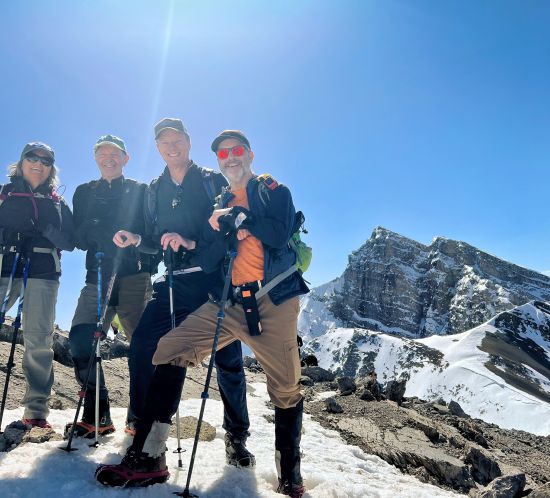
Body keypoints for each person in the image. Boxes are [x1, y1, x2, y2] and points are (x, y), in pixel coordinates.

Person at [96, 130, 309, 498]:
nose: (231, 157)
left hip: (273, 300)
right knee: (169, 348)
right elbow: (210, 259)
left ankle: (289, 476)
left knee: (286, 389)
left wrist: (242, 219)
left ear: (250, 154)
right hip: (229, 301)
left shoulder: (273, 191)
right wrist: (210, 235)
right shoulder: (220, 203)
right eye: (223, 153)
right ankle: (149, 457)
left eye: (237, 150)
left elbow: (278, 233)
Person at [111, 118, 252, 464]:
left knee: (228, 361)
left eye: (177, 141)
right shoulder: (154, 190)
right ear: (157, 148)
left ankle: (236, 437)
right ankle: (143, 427)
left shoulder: (211, 181)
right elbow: (154, 241)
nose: (171, 147)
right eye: (165, 143)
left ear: (188, 142)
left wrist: (191, 242)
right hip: (173, 282)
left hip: (214, 281)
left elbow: (227, 231)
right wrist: (136, 239)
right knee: (143, 345)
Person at [66, 135, 156, 438]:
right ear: (95, 159)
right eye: (102, 154)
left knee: (144, 348)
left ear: (126, 158)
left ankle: (139, 417)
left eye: (115, 153)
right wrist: (94, 229)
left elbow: (152, 234)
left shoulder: (141, 191)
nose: (109, 158)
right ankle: (97, 414)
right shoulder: (84, 192)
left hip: (135, 278)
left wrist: (133, 237)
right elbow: (78, 238)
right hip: (97, 278)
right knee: (80, 341)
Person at [0, 142, 75, 428]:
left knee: (39, 339)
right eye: (32, 157)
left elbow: (71, 241)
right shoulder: (4, 194)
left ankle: (36, 411)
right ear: (21, 162)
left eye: (46, 161)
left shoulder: (57, 202)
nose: (38, 164)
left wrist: (46, 231)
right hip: (5, 263)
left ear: (51, 168)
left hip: (43, 270)